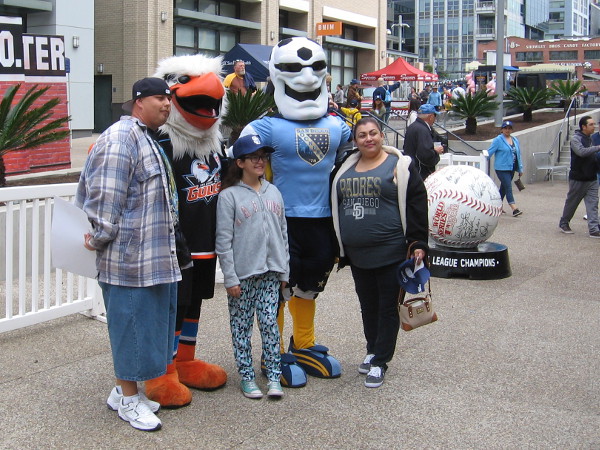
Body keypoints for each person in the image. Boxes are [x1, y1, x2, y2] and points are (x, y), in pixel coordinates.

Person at [240, 37, 350, 387]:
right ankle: (272, 351)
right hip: (280, 222)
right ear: (276, 72)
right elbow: (237, 164)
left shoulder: (339, 127)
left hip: (321, 221)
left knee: (310, 285)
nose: (305, 77)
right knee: (278, 286)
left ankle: (302, 344)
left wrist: (393, 158)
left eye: (314, 67)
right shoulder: (264, 127)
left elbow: (363, 154)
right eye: (292, 68)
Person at [75, 77, 180, 431]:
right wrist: (99, 237)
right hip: (128, 260)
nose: (167, 104)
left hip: (149, 258)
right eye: (159, 98)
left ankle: (124, 395)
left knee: (146, 328)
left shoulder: (142, 137)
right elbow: (105, 200)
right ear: (138, 102)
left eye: (169, 99)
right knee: (131, 329)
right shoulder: (121, 139)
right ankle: (129, 400)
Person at [331, 117, 428, 388]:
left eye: (373, 133)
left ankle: (380, 361)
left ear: (382, 135)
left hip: (392, 252)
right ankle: (372, 348)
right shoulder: (344, 169)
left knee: (387, 308)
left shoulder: (401, 166)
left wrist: (419, 243)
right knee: (368, 306)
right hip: (358, 254)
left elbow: (417, 203)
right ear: (355, 140)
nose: (368, 139)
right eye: (362, 135)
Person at [216, 134, 289, 399]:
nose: (260, 162)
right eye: (254, 157)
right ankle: (247, 376)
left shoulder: (274, 191)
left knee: (270, 323)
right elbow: (223, 242)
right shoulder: (229, 197)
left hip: (271, 272)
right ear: (240, 162)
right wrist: (231, 277)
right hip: (243, 276)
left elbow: (283, 233)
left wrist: (284, 269)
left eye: (263, 157)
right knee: (242, 327)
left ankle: (273, 375)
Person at [559, 115, 600, 237]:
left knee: (593, 204)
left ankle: (594, 229)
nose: (594, 127)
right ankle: (564, 223)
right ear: (584, 127)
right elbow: (581, 152)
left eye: (594, 124)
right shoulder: (576, 139)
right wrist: (597, 148)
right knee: (572, 203)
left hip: (592, 178)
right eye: (591, 124)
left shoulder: (591, 139)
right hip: (578, 178)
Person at [486, 121, 524, 217]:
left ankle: (497, 206)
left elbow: (518, 155)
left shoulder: (515, 140)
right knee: (508, 187)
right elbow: (489, 152)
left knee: (503, 188)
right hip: (501, 168)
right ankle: (514, 207)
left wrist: (520, 168)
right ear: (501, 129)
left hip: (512, 168)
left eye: (509, 128)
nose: (507, 130)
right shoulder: (498, 140)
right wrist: (482, 158)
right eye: (505, 128)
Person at [403, 103, 444, 179]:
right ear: (431, 117)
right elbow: (425, 155)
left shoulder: (412, 126)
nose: (435, 119)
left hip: (411, 169)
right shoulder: (422, 130)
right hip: (421, 173)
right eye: (435, 116)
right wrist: (436, 151)